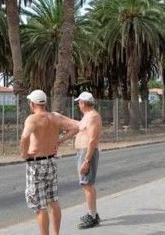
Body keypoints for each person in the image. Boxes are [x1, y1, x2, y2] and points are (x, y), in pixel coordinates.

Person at [20, 89, 79, 235]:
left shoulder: (32, 119)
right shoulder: (55, 117)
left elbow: (24, 137)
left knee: (41, 206)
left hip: (36, 163)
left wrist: (24, 154)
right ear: (45, 103)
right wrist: (59, 141)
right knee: (54, 200)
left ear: (32, 104)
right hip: (51, 162)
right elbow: (76, 127)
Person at [59, 91, 102, 229]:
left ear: (83, 103)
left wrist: (87, 160)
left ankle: (92, 216)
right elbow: (75, 130)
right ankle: (93, 213)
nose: (78, 104)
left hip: (86, 153)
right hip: (81, 152)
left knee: (87, 184)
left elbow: (93, 140)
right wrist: (59, 141)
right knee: (87, 184)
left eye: (79, 102)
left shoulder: (93, 117)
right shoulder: (86, 116)